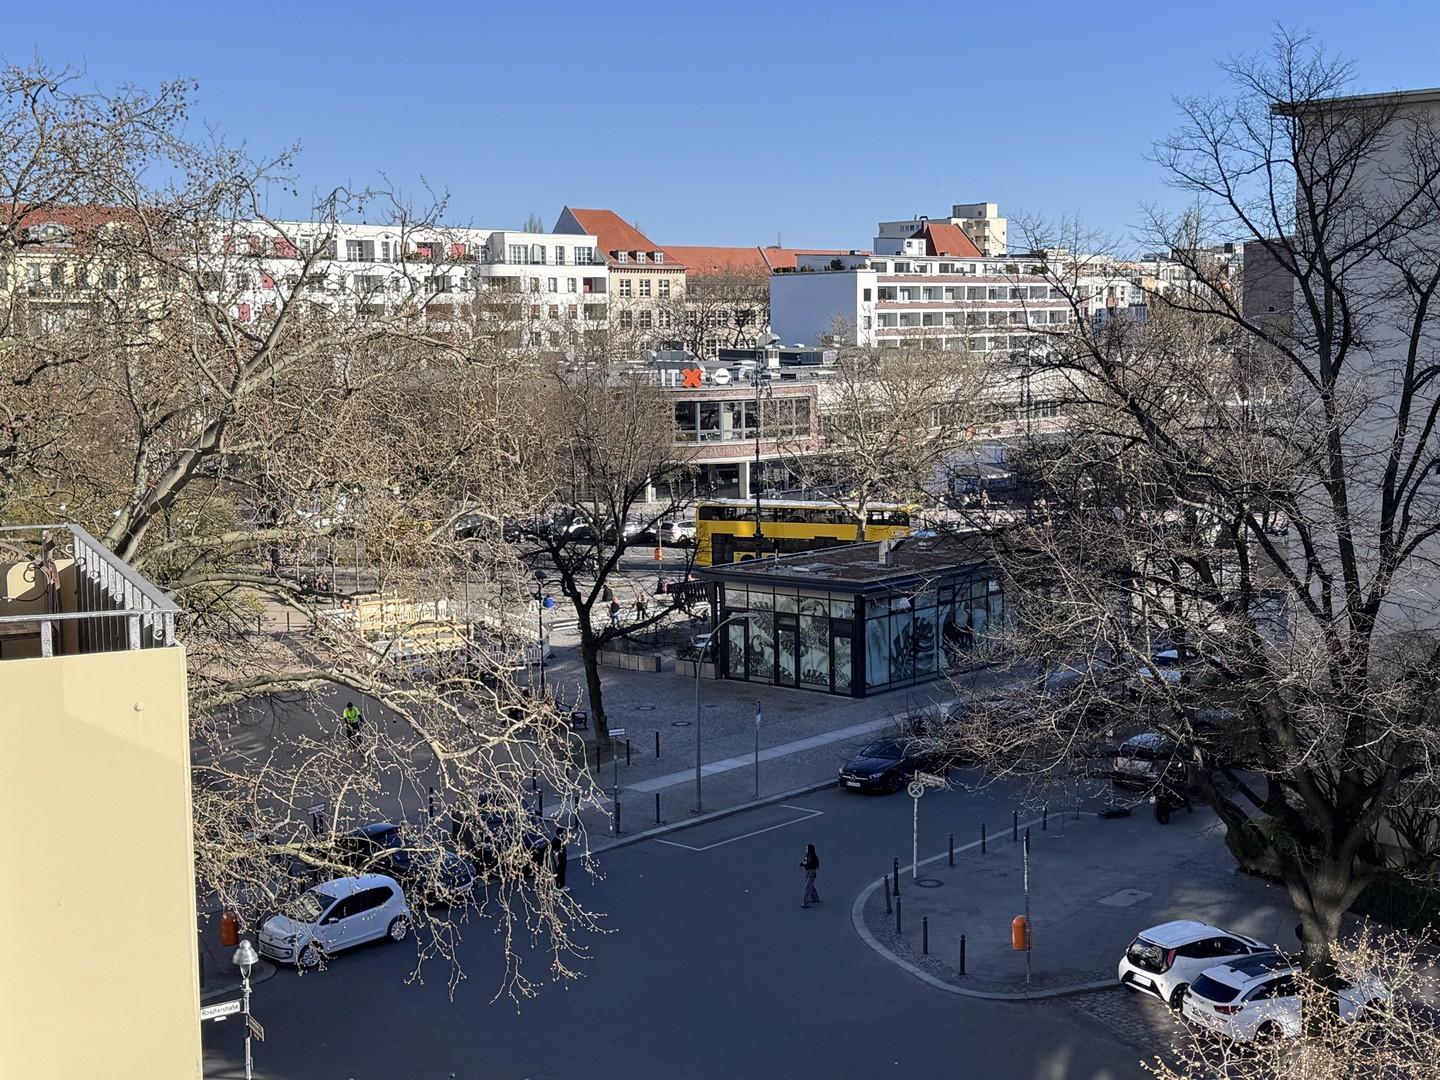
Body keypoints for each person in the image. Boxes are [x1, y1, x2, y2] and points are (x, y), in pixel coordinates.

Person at [799, 843, 821, 908]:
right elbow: (806, 862)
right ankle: (815, 898)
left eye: (807, 848)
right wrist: (803, 864)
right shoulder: (807, 856)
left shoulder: (813, 857)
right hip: (808, 873)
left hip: (811, 873)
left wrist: (806, 865)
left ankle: (806, 903)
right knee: (811, 886)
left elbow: (812, 864)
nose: (806, 850)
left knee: (808, 887)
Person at [552, 827, 569, 892]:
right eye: (564, 833)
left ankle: (560, 886)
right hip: (560, 861)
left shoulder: (559, 840)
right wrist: (557, 862)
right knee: (560, 874)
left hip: (561, 860)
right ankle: (560, 886)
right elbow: (555, 854)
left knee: (561, 873)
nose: (565, 835)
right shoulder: (557, 842)